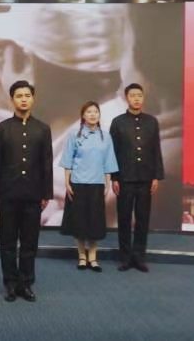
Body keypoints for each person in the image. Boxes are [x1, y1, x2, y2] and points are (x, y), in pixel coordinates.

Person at [0, 80, 53, 302]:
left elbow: (47, 163)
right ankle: (10, 283)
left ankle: (26, 283)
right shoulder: (2, 128)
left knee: (29, 242)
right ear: (12, 100)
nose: (24, 99)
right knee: (8, 242)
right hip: (8, 194)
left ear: (33, 99)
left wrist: (46, 193)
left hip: (33, 194)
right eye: (19, 96)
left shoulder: (43, 129)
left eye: (27, 95)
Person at [110, 83, 164, 272]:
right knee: (124, 218)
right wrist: (114, 178)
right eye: (132, 95)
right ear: (127, 98)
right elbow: (113, 152)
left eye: (139, 95)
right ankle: (125, 257)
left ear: (143, 98)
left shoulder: (152, 121)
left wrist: (156, 176)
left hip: (146, 178)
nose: (136, 98)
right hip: (124, 178)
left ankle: (139, 257)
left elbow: (156, 150)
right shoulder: (118, 122)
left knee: (143, 219)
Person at [59, 101, 119, 272]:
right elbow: (68, 161)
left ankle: (93, 257)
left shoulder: (105, 136)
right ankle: (81, 256)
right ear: (83, 115)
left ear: (99, 115)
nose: (93, 115)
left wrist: (107, 184)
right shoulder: (74, 135)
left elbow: (109, 162)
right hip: (77, 183)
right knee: (79, 222)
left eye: (95, 112)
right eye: (89, 112)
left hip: (97, 184)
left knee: (94, 222)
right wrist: (67, 182)